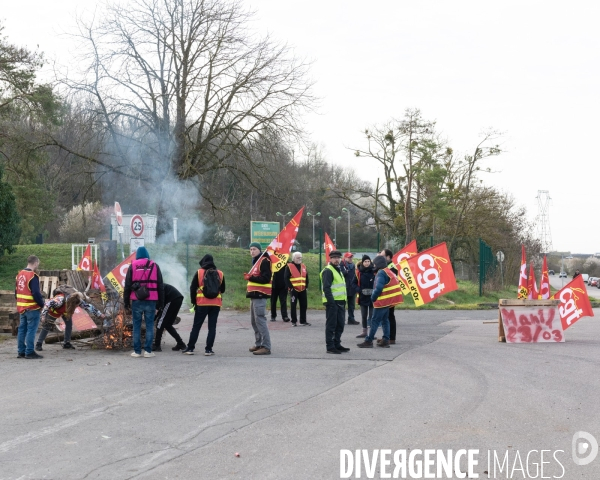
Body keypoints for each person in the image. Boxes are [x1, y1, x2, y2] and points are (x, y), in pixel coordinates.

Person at [124, 246, 164, 358]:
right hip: (151, 300)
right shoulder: (155, 266)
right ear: (147, 255)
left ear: (137, 256)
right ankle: (148, 351)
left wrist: (126, 302)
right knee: (150, 325)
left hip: (136, 300)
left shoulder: (133, 266)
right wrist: (161, 303)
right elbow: (160, 286)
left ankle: (137, 351)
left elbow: (127, 286)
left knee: (136, 326)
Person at [357, 255, 403, 348]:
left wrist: (373, 297)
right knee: (385, 320)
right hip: (387, 301)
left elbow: (378, 288)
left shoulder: (381, 272)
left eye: (375, 264)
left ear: (378, 264)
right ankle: (385, 340)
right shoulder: (388, 271)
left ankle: (369, 340)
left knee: (374, 321)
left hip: (381, 301)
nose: (373, 265)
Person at [183, 254, 226, 356]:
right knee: (212, 327)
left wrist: (194, 302)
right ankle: (208, 350)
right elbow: (223, 289)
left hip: (202, 303)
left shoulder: (199, 272)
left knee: (196, 326)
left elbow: (193, 288)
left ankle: (190, 348)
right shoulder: (220, 273)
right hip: (216, 304)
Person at [36, 290, 106, 351]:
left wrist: (99, 314)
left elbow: (88, 307)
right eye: (75, 306)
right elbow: (47, 305)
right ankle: (39, 344)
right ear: (71, 304)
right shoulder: (59, 300)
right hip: (54, 311)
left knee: (69, 325)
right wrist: (43, 316)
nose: (76, 307)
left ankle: (66, 343)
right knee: (47, 326)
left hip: (66, 312)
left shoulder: (78, 300)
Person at [244, 242, 272, 355]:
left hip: (260, 294)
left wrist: (251, 277)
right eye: (250, 249)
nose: (252, 251)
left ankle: (266, 346)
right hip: (254, 294)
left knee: (260, 320)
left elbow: (266, 278)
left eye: (254, 249)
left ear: (260, 250)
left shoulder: (264, 261)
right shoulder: (256, 261)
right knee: (254, 321)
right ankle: (258, 344)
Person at [15, 255, 45, 359]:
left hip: (21, 307)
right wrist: (42, 304)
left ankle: (21, 351)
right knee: (31, 330)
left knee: (22, 329)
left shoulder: (19, 274)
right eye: (38, 264)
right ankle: (29, 352)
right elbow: (36, 293)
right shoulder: (33, 276)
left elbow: (16, 292)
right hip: (32, 308)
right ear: (35, 263)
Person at [321, 250, 349, 354]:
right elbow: (326, 288)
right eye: (334, 258)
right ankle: (330, 346)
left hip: (341, 301)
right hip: (333, 302)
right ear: (330, 259)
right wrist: (331, 303)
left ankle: (337, 344)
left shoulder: (338, 269)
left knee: (340, 324)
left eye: (338, 257)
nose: (337, 259)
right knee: (331, 325)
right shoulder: (328, 271)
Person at [154, 283, 187, 352]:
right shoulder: (156, 285)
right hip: (177, 298)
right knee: (167, 324)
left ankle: (157, 345)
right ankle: (181, 344)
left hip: (171, 299)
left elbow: (160, 303)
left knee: (160, 323)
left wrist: (156, 309)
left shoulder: (154, 287)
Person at [381, 248, 401, 344]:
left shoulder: (392, 268)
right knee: (385, 317)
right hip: (387, 296)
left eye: (383, 256)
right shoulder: (386, 266)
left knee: (389, 316)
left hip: (390, 296)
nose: (381, 258)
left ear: (388, 257)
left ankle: (391, 338)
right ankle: (386, 336)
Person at [284, 251, 310, 326]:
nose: (299, 259)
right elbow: (286, 278)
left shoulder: (304, 266)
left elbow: (306, 277)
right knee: (293, 305)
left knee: (304, 305)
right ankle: (294, 321)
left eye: (300, 257)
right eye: (298, 257)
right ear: (293, 258)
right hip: (294, 289)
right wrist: (291, 287)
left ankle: (303, 321)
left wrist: (306, 286)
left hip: (303, 289)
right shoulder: (289, 266)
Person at [353, 255, 375, 338]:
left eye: (368, 261)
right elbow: (353, 283)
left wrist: (375, 291)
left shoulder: (374, 271)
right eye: (365, 261)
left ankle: (372, 334)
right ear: (362, 262)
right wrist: (359, 290)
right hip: (363, 297)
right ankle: (364, 332)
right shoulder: (358, 272)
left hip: (373, 297)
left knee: (372, 316)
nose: (367, 263)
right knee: (364, 315)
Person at [340, 252, 359, 325]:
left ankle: (351, 319)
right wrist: (345, 271)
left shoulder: (354, 266)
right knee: (342, 306)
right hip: (344, 289)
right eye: (349, 257)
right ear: (345, 258)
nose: (351, 258)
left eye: (351, 257)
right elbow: (340, 274)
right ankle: (342, 320)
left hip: (352, 288)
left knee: (352, 306)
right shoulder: (341, 265)